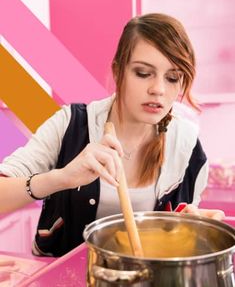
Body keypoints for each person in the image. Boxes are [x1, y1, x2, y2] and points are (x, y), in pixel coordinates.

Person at [0, 13, 224, 257]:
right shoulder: (70, 124)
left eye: (172, 78)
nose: (158, 89)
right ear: (118, 73)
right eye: (142, 73)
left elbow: (178, 233)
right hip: (62, 279)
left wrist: (195, 224)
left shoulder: (188, 147)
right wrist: (61, 178)